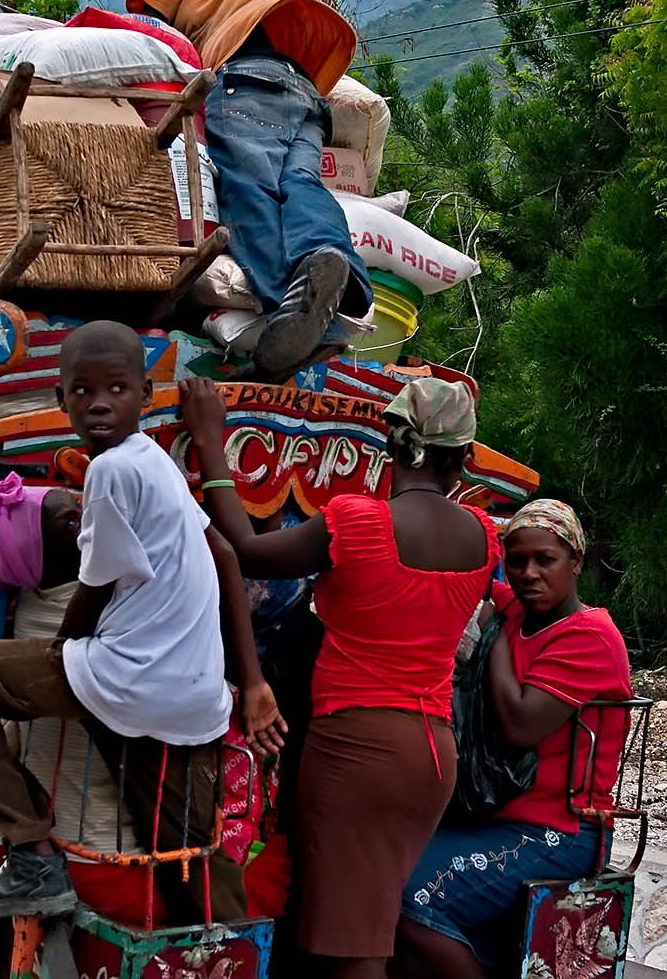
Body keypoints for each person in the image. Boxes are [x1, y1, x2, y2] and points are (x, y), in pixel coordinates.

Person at [0, 321, 285, 923]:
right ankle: (229, 951)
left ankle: (32, 854)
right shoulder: (158, 463)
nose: (98, 405)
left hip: (124, 679)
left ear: (144, 394)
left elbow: (93, 584)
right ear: (62, 399)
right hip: (195, 701)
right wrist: (252, 682)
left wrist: (57, 650)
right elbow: (222, 552)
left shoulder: (110, 469)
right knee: (187, 856)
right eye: (82, 392)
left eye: (115, 389)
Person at [179, 375, 499, 978]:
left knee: (352, 949)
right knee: (367, 923)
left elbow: (246, 548)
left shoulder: (356, 521)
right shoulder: (482, 538)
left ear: (394, 445)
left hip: (356, 752)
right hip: (432, 755)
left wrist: (211, 439)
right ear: (465, 458)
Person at [130, 0, 372, 378]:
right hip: (302, 90)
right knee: (301, 185)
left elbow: (147, 20)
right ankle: (333, 266)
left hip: (246, 83)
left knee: (246, 190)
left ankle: (286, 307)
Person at [393, 500, 632, 978]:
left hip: (559, 829)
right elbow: (470, 575)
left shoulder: (589, 636)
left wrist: (495, 639)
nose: (529, 573)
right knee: (384, 860)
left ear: (576, 562)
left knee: (405, 892)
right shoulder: (519, 611)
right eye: (517, 561)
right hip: (498, 816)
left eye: (546, 560)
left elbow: (521, 725)